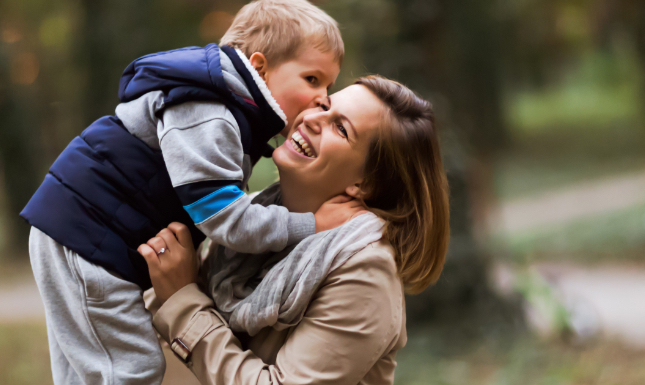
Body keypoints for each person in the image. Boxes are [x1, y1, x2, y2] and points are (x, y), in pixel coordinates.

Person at [20, 1, 361, 384]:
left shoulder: (225, 107)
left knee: (87, 373)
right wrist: (312, 224)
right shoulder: (210, 111)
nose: (323, 98)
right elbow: (224, 218)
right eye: (312, 79)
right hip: (89, 237)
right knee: (132, 370)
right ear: (261, 67)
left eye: (328, 85)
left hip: (80, 232)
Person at [140, 75, 451, 385]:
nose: (313, 119)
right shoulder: (247, 222)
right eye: (323, 105)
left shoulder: (364, 271)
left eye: (341, 128)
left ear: (365, 184)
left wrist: (181, 302)